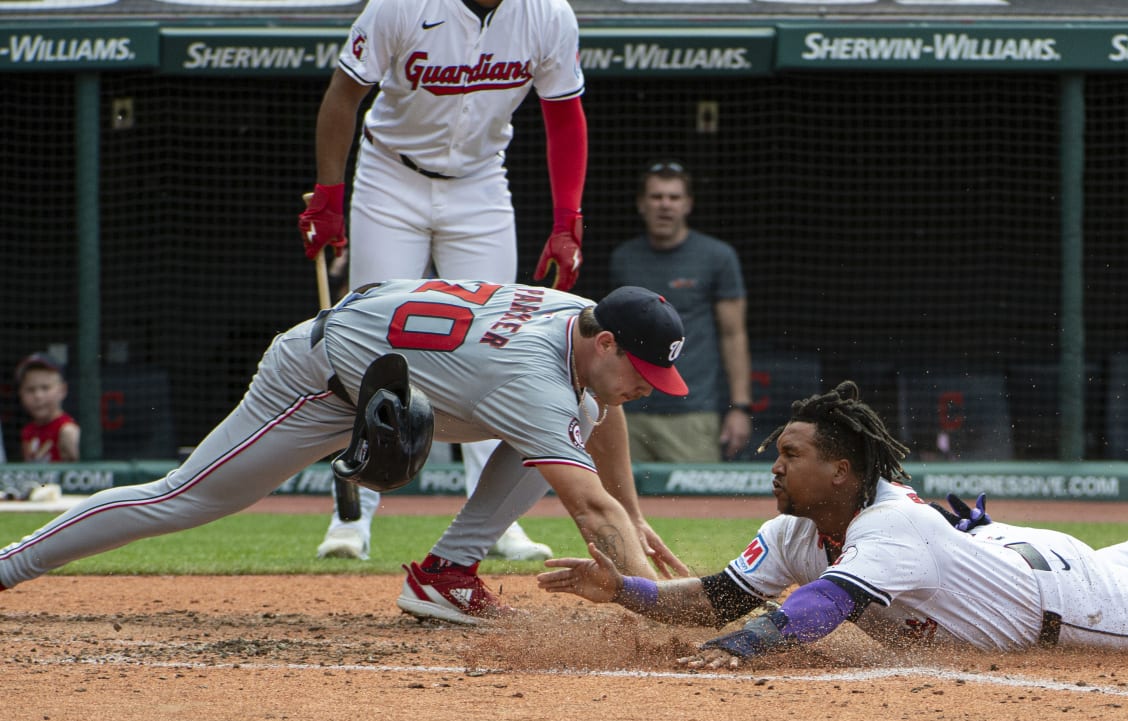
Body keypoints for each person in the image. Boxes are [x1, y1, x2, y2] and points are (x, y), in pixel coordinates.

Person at [537, 381, 1128, 666]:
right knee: (1119, 563)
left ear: (841, 469)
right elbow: (720, 598)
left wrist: (733, 656)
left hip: (1071, 601)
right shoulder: (805, 531)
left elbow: (817, 614)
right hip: (1015, 557)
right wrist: (628, 592)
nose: (774, 462)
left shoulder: (888, 528)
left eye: (791, 453)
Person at [0, 280, 690, 626]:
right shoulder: (534, 379)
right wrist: (665, 613)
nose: (647, 390)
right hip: (317, 383)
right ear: (606, 344)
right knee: (182, 499)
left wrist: (635, 513)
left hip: (401, 375)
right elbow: (588, 507)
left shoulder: (578, 315)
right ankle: (9, 566)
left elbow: (600, 413)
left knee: (584, 406)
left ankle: (444, 575)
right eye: (643, 373)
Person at [297, 0, 589, 561]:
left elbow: (564, 115)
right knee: (369, 340)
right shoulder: (401, 6)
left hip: (480, 184)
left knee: (500, 345)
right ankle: (352, 514)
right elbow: (343, 93)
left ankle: (496, 521)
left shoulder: (547, 13)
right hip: (390, 176)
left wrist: (566, 222)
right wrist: (330, 195)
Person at [609, 160, 753, 461]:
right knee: (620, 504)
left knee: (698, 507)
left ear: (688, 204)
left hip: (693, 412)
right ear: (641, 204)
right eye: (656, 197)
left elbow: (733, 334)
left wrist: (740, 407)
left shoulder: (717, 256)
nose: (665, 205)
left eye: (674, 197)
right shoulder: (622, 259)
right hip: (628, 408)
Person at [14, 353, 80, 463]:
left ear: (62, 390)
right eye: (30, 389)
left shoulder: (67, 431)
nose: (38, 396)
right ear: (20, 393)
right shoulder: (27, 431)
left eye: (45, 388)